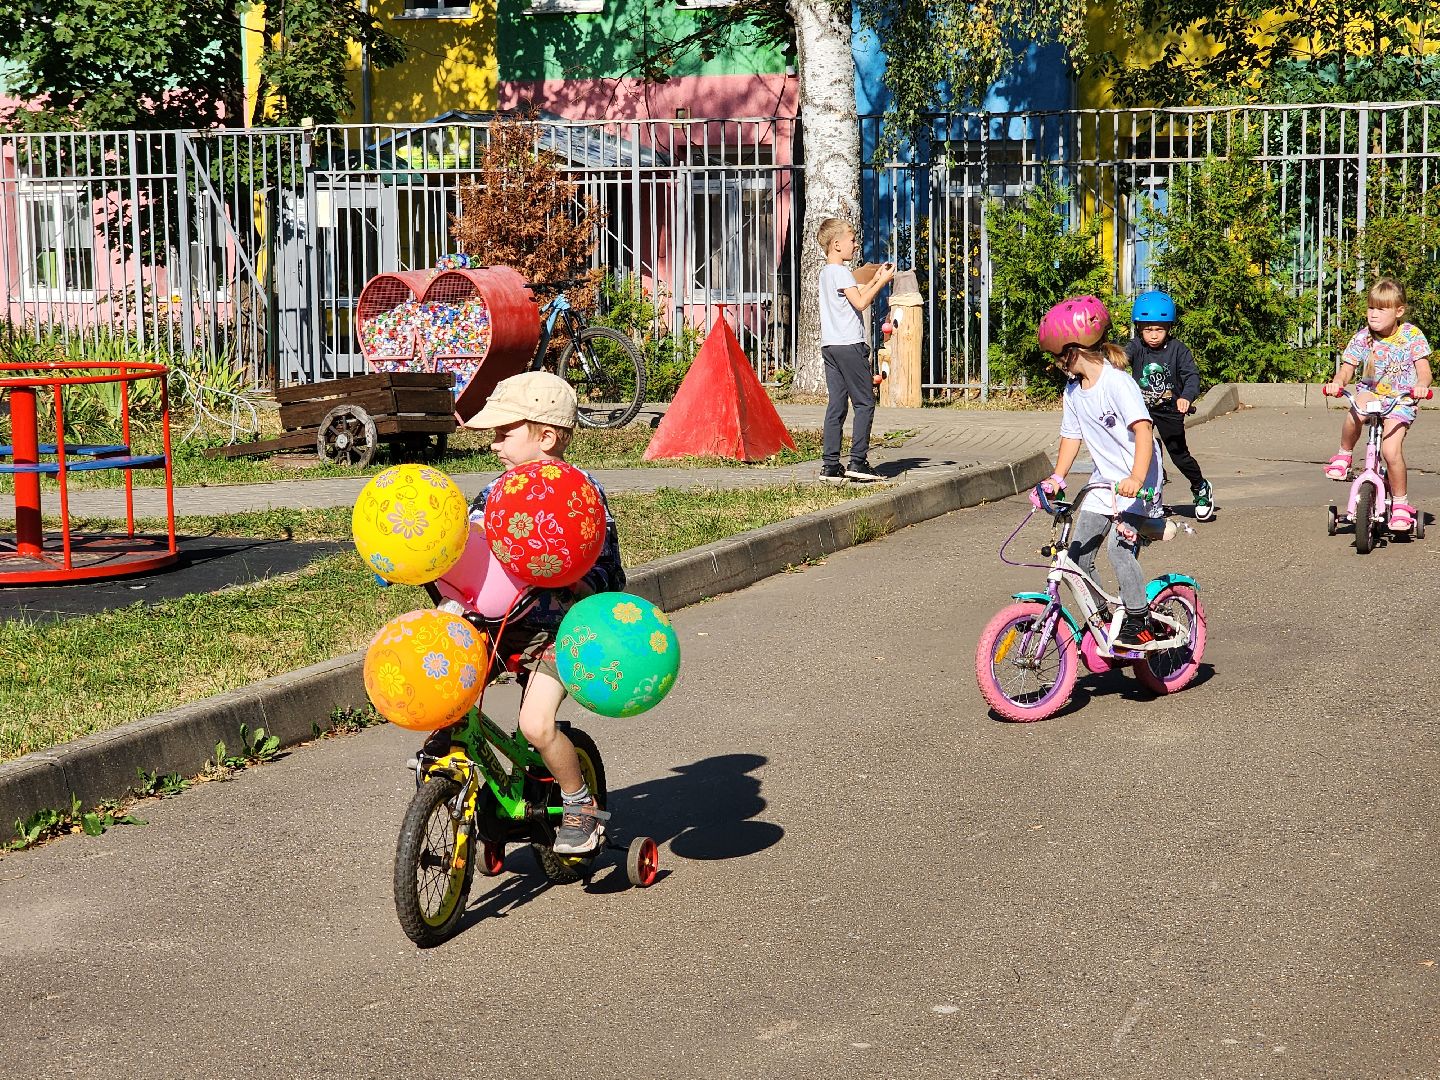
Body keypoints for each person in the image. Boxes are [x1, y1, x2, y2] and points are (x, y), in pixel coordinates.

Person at [425, 371, 625, 855]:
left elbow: (609, 573)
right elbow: (468, 545)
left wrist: (573, 575)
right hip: (497, 624)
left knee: (536, 725)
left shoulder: (580, 497)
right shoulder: (494, 493)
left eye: (504, 433)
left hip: (559, 631)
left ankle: (579, 805)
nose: (494, 444)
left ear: (546, 437)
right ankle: (457, 795)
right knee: (444, 698)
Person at [1036, 296, 1168, 650]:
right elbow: (1071, 436)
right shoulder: (1074, 390)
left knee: (1118, 550)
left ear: (1075, 349)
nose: (1055, 364)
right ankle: (1105, 621)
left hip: (1139, 482)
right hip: (1104, 482)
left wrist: (1137, 480)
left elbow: (1143, 431)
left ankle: (1139, 620)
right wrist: (1056, 478)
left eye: (1057, 356)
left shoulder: (1117, 383)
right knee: (1077, 556)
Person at [1323, 278, 1432, 532]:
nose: (1374, 314)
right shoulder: (1364, 337)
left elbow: (1424, 371)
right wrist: (1337, 383)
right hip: (1371, 394)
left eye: (1381, 309)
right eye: (1371, 308)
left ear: (1399, 311)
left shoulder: (1411, 336)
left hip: (1400, 399)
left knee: (1391, 451)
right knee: (1356, 408)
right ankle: (1344, 455)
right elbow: (1347, 369)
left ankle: (1401, 503)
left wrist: (1421, 385)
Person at [816, 217, 896, 482]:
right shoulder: (840, 272)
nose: (855, 244)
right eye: (851, 239)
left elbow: (854, 294)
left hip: (831, 346)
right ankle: (857, 463)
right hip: (850, 344)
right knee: (864, 403)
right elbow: (861, 303)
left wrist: (875, 278)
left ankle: (830, 465)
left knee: (837, 404)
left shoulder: (827, 273)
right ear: (836, 244)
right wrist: (882, 283)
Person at [1125, 290, 1214, 522]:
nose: (1153, 335)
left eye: (1159, 329)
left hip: (1169, 410)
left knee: (1179, 455)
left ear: (1169, 328)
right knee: (1146, 454)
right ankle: (1151, 500)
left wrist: (1186, 396)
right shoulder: (1136, 347)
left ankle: (1200, 487)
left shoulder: (1178, 350)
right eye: (1148, 329)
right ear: (1139, 329)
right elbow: (1121, 359)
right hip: (1142, 411)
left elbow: (1191, 376)